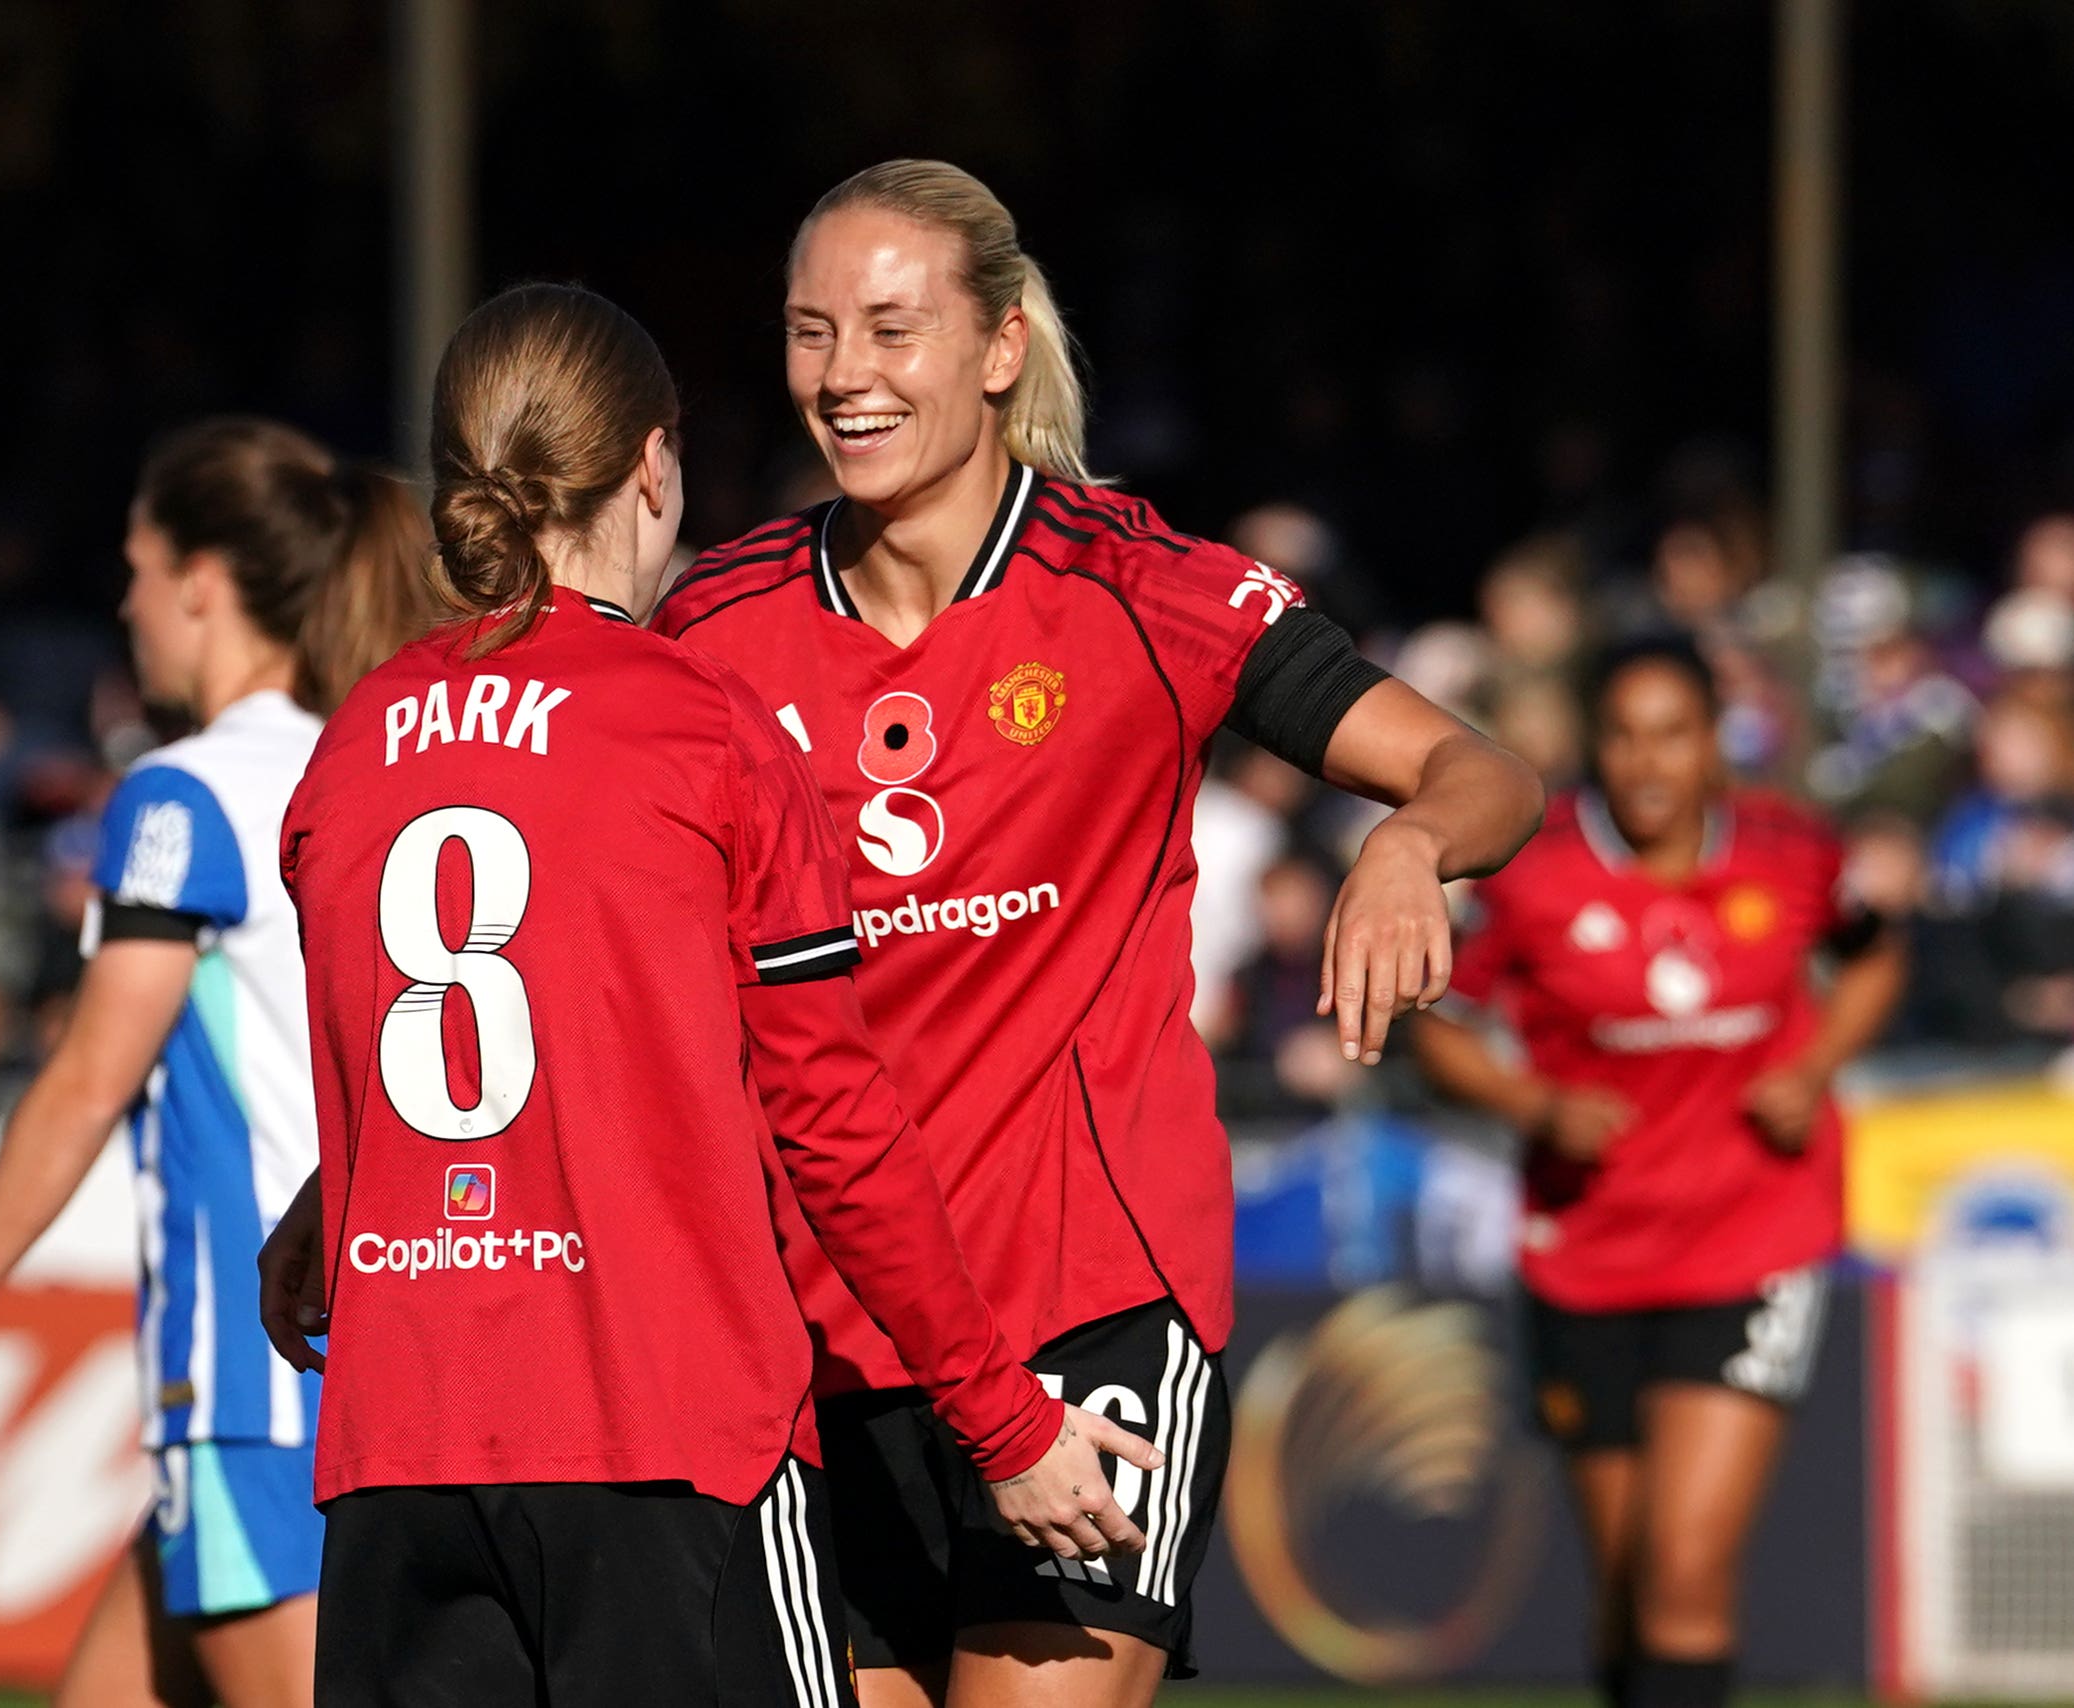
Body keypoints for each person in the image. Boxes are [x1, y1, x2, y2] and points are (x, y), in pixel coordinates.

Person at [649, 159, 1545, 1708]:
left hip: (1083, 1301)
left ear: (999, 346)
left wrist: (1407, 844)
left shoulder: (1143, 593)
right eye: (810, 335)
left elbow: (1486, 772)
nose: (843, 378)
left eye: (888, 328)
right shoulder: (708, 628)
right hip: (814, 1337)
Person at [261, 281, 1159, 1708]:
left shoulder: (359, 739)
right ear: (655, 467)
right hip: (663, 1446)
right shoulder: (698, 722)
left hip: (402, 1457)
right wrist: (1001, 1421)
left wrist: (322, 1214)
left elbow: (418, 1043)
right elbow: (830, 1121)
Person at [0, 419, 428, 1708]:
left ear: (200, 579)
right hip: (367, 1348)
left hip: (250, 1369)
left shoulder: (179, 797)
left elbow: (87, 1077)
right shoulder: (371, 760)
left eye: (135, 564)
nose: (123, 600)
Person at [1410, 635, 1907, 1708]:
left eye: (1673, 735)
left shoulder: (1792, 850)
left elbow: (1874, 956)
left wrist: (1814, 1065)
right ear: (1595, 743)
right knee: (1630, 1584)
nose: (1648, 763)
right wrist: (1534, 1102)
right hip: (1586, 1254)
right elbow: (1438, 1025)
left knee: (1687, 1565)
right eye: (1624, 736)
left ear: (1714, 742)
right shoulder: (1534, 874)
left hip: (1752, 1241)